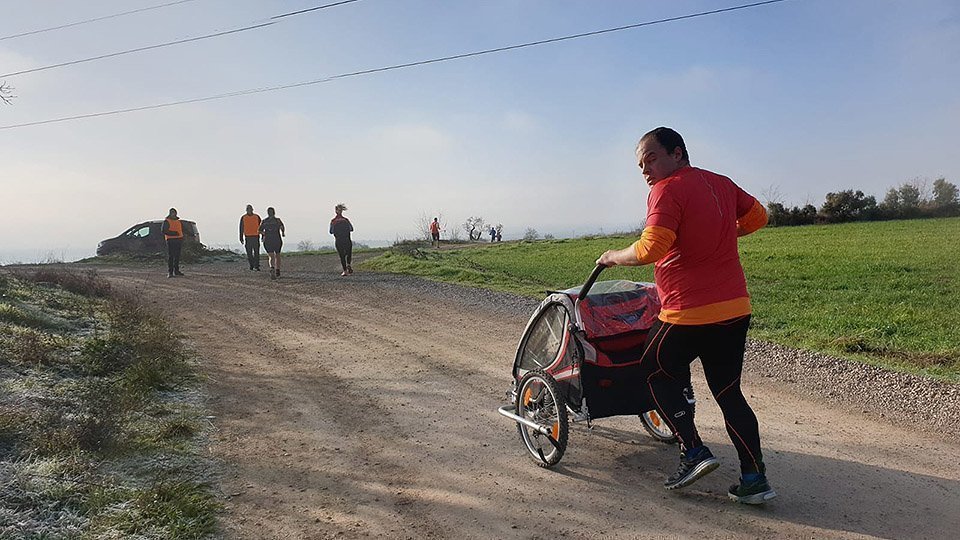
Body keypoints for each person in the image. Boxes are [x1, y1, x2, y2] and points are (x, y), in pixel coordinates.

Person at [596, 127, 774, 505]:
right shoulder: (721, 183)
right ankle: (754, 478)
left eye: (651, 159)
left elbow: (650, 248)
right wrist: (722, 233)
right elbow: (759, 217)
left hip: (688, 311)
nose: (645, 170)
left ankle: (693, 451)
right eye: (641, 165)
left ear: (677, 153)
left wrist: (612, 256)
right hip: (734, 309)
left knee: (655, 369)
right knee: (728, 392)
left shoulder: (667, 188)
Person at [258, 207, 285, 279]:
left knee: (271, 256)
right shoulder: (277, 220)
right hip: (277, 239)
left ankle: (272, 268)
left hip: (268, 240)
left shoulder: (264, 221)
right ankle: (277, 270)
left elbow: (259, 230)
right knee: (278, 255)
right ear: (274, 212)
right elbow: (282, 227)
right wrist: (282, 233)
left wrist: (264, 234)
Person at [330, 203, 354, 276]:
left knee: (342, 256)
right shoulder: (346, 220)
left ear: (335, 211)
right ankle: (349, 264)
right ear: (342, 211)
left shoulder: (333, 221)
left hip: (339, 240)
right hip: (347, 239)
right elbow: (351, 229)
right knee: (348, 253)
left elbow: (331, 231)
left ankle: (345, 271)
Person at [161, 207, 185, 278]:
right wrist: (174, 233)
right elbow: (164, 230)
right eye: (172, 213)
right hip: (170, 240)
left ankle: (176, 271)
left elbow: (183, 229)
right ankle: (170, 272)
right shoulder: (166, 221)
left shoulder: (178, 221)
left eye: (174, 213)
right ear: (170, 213)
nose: (173, 214)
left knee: (177, 256)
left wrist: (191, 234)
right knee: (171, 256)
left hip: (178, 240)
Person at [239, 204, 262, 271]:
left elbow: (261, 226)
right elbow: (241, 228)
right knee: (249, 252)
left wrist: (263, 235)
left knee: (256, 252)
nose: (249, 210)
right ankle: (251, 265)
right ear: (246, 210)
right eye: (248, 209)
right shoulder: (243, 217)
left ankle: (257, 265)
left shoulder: (257, 217)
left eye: (250, 209)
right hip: (248, 237)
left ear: (252, 209)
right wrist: (241, 237)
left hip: (256, 236)